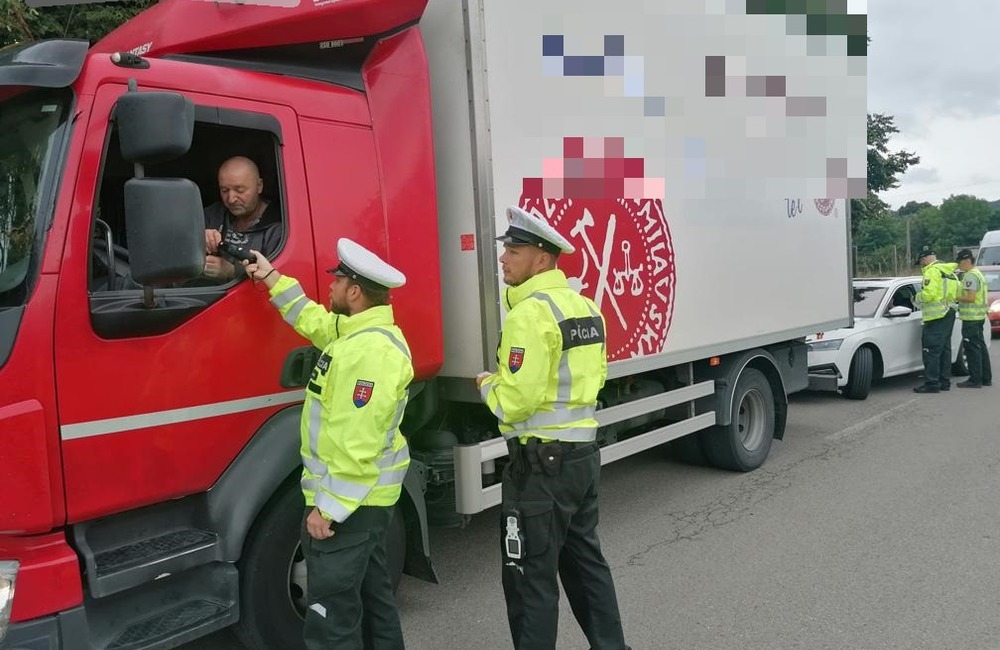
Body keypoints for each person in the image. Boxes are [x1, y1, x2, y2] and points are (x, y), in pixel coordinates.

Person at [476, 206, 630, 650]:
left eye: (515, 250)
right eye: (505, 248)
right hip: (581, 457)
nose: (504, 258)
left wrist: (488, 385)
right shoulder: (585, 307)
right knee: (586, 567)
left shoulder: (529, 315)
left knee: (529, 580)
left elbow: (516, 401)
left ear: (542, 260)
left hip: (540, 465)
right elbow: (595, 378)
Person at [245, 239, 410, 650]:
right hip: (367, 502)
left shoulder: (368, 352)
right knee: (375, 607)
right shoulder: (356, 334)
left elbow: (359, 442)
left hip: (353, 504)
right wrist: (271, 279)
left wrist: (330, 509)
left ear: (354, 292)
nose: (331, 288)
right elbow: (314, 320)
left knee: (330, 622)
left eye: (337, 282)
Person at [202, 156, 282, 282]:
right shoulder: (214, 214)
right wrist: (199, 239)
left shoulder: (278, 229)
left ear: (259, 186)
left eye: (239, 190)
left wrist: (232, 271)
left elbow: (276, 281)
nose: (231, 199)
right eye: (224, 190)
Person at [912, 245, 960, 393]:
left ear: (925, 258)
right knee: (945, 350)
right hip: (949, 313)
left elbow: (929, 295)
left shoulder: (932, 272)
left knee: (931, 350)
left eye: (921, 262)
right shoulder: (950, 272)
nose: (922, 265)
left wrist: (916, 297)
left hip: (936, 316)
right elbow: (959, 291)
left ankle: (932, 383)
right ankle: (944, 382)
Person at [954, 248, 992, 388]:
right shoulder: (978, 274)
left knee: (972, 348)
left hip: (971, 318)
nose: (959, 265)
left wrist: (955, 297)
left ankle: (975, 379)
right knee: (980, 347)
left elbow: (970, 298)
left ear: (966, 260)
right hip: (979, 316)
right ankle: (986, 378)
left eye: (960, 262)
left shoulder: (970, 276)